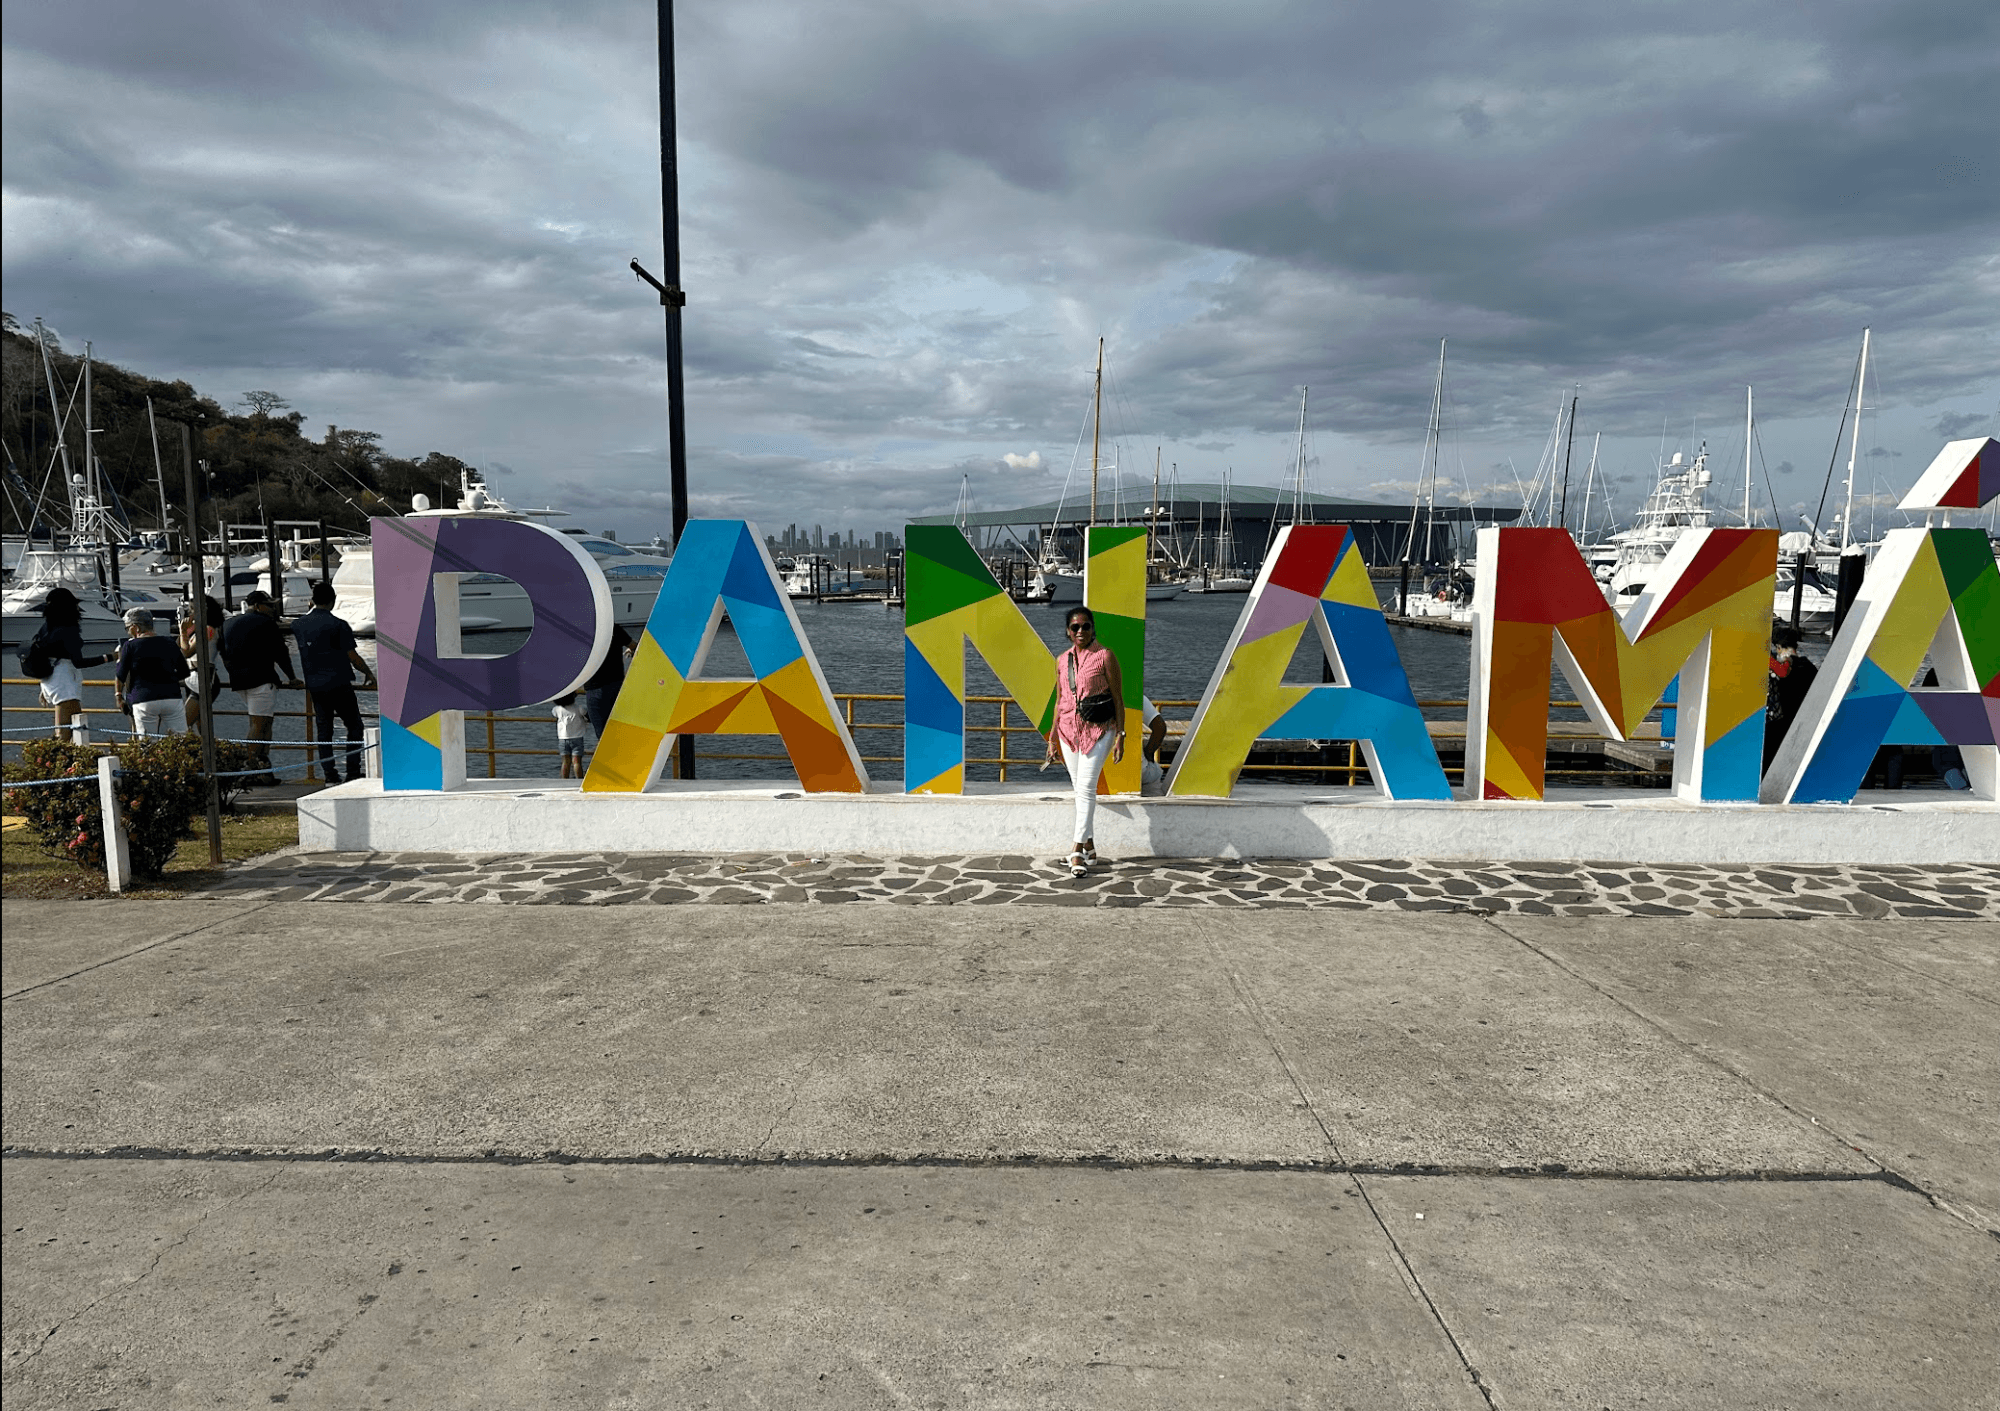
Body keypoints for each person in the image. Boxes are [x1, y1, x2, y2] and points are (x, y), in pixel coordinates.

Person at [1043, 605, 1125, 878]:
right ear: (1068, 632)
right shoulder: (1061, 660)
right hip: (1068, 732)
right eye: (1075, 627)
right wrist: (1053, 738)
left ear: (1093, 629)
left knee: (1087, 789)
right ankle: (1089, 845)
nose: (1081, 631)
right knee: (1080, 790)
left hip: (1099, 730)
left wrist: (1120, 737)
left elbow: (1118, 699)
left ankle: (1076, 850)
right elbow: (1060, 700)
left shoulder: (1105, 657)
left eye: (1086, 626)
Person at [290, 581, 377, 785]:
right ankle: (353, 771)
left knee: (324, 730)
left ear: (312, 600)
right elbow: (352, 656)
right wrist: (368, 673)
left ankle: (329, 773)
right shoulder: (339, 625)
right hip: (340, 683)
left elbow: (300, 627)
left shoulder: (298, 625)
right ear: (333, 601)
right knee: (354, 727)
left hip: (315, 686)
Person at [219, 590, 303, 785]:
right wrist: (292, 677)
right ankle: (250, 771)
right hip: (262, 681)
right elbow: (280, 653)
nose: (273, 609)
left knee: (263, 724)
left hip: (239, 682)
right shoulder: (266, 623)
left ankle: (263, 769)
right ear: (257, 605)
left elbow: (223, 651)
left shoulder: (228, 623)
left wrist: (232, 671)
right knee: (259, 726)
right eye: (269, 605)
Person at [24, 587, 113, 744]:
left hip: (49, 679)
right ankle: (61, 764)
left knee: (71, 727)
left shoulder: (46, 627)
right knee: (66, 732)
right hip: (64, 680)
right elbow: (79, 662)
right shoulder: (68, 630)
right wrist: (109, 657)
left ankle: (65, 763)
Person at [113, 607, 191, 739]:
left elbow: (120, 675)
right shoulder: (169, 642)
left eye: (128, 628)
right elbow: (184, 671)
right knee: (181, 740)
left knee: (148, 744)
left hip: (143, 699)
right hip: (171, 696)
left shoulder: (130, 646)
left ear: (136, 628)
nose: (127, 632)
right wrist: (169, 679)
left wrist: (119, 697)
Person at [1763, 623, 1819, 773]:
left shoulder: (1776, 671)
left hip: (1777, 728)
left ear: (1779, 647)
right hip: (1802, 726)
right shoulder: (1810, 668)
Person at [179, 594, 227, 730]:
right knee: (201, 726)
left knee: (181, 725)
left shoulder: (207, 630)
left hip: (203, 679)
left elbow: (186, 652)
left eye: (192, 609)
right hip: (196, 678)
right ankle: (203, 750)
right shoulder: (202, 629)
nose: (189, 612)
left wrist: (183, 631)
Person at [583, 622, 635, 741]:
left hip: (594, 687)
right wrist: (630, 651)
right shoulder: (613, 628)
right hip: (616, 686)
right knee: (619, 731)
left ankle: (607, 757)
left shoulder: (584, 629)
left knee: (602, 736)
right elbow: (633, 645)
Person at [553, 690, 588, 778]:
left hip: (563, 738)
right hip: (577, 738)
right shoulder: (579, 708)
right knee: (577, 762)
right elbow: (587, 716)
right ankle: (579, 780)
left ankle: (564, 781)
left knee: (565, 762)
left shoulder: (557, 709)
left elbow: (554, 714)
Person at [1138, 695, 1169, 795]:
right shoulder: (1136, 697)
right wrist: (1148, 753)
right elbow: (1160, 727)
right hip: (1141, 769)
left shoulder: (1090, 697)